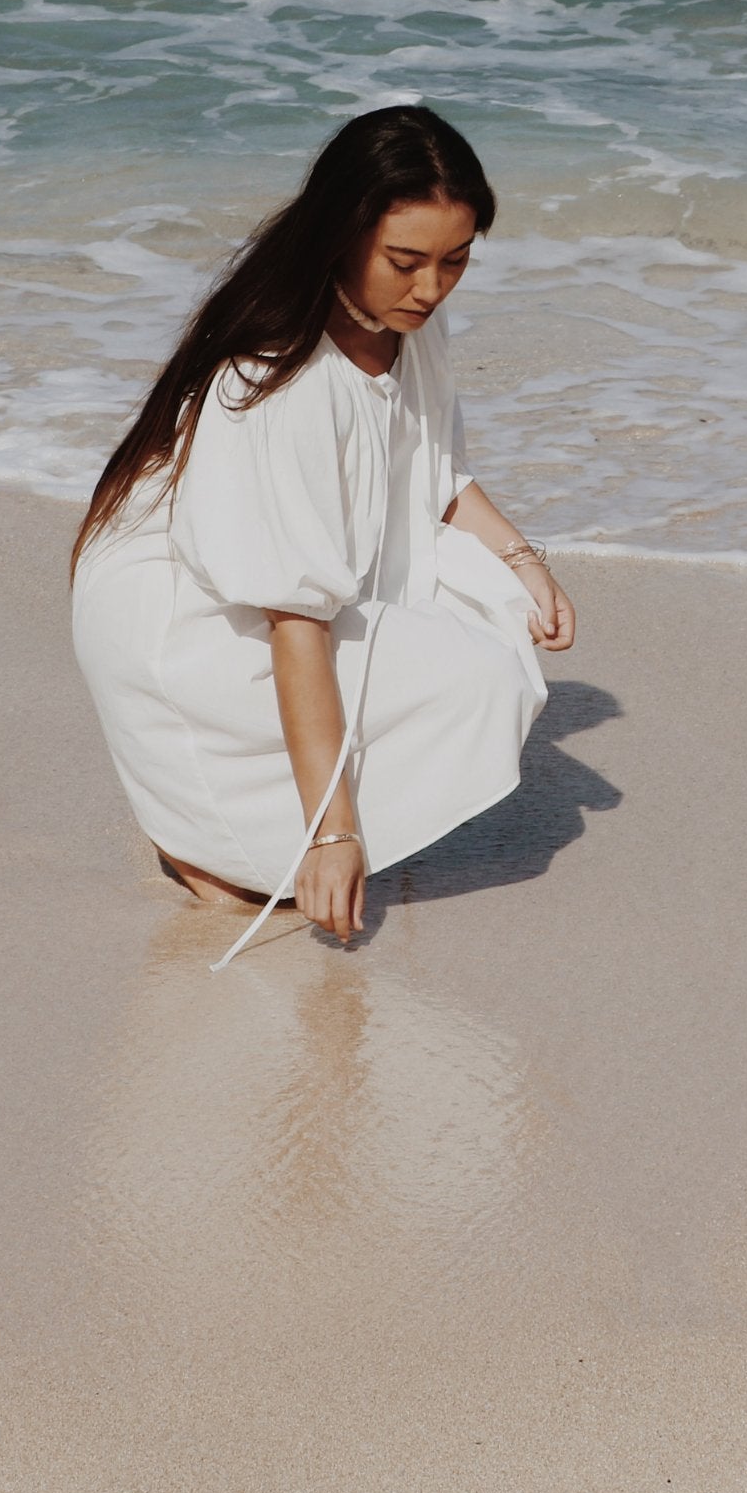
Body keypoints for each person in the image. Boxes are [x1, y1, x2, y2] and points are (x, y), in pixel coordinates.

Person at [71, 105, 575, 970]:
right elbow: (292, 621)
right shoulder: (276, 376)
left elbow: (430, 464)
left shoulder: (404, 320)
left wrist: (525, 561)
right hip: (184, 615)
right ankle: (210, 839)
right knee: (481, 676)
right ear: (342, 236)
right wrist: (330, 833)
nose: (430, 288)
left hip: (282, 577)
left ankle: (250, 825)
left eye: (454, 261)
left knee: (489, 598)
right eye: (405, 262)